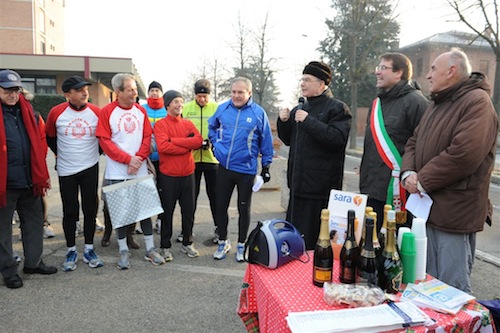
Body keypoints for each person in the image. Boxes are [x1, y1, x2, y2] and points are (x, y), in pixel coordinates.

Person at [401, 48, 498, 293]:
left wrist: (421, 180)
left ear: (451, 71)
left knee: (450, 291)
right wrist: (408, 174)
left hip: (454, 216)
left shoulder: (476, 102)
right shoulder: (438, 104)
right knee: (425, 283)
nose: (429, 75)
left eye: (433, 68)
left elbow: (464, 154)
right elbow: (414, 141)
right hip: (428, 211)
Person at [277, 61, 352, 251]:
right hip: (297, 186)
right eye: (302, 79)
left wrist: (309, 121)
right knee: (294, 241)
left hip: (319, 189)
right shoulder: (299, 109)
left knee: (313, 243)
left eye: (307, 80)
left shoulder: (337, 108)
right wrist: (283, 121)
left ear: (322, 84)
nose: (302, 83)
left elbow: (337, 138)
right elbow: (288, 140)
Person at [96, 73, 165, 270]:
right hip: (117, 172)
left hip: (140, 170)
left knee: (146, 211)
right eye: (131, 89)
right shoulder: (107, 112)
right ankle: (123, 250)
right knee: (120, 213)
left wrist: (138, 160)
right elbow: (105, 142)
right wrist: (128, 159)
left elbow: (147, 137)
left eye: (135, 89)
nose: (135, 92)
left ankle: (150, 249)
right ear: (118, 92)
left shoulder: (140, 111)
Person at [0, 69, 57, 289]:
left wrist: (39, 168)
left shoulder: (29, 112)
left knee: (33, 224)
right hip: (5, 184)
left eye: (15, 90)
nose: (12, 94)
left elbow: (41, 139)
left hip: (30, 180)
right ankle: (8, 270)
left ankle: (33, 263)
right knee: (3, 230)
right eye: (7, 90)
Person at [359, 53, 429, 230]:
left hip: (399, 193)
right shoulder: (377, 103)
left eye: (383, 68)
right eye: (378, 67)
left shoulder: (416, 102)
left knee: (396, 246)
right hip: (372, 189)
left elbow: (423, 145)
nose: (377, 72)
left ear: (399, 73)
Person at [208, 77, 274, 262]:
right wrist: (215, 145)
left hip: (246, 169)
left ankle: (241, 244)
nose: (236, 96)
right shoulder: (222, 109)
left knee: (243, 208)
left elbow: (266, 141)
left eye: (240, 92)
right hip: (225, 167)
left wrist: (266, 166)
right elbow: (211, 127)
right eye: (233, 92)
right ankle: (223, 241)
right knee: (220, 206)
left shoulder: (258, 113)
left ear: (249, 93)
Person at [45, 75, 103, 271]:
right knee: (70, 210)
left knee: (90, 208)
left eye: (85, 88)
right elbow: (50, 138)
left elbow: (103, 138)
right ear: (67, 94)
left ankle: (88, 248)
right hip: (66, 169)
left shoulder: (96, 112)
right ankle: (71, 249)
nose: (84, 92)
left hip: (90, 167)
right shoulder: (56, 113)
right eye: (79, 90)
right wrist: (62, 156)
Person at [154, 90, 203, 261]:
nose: (180, 105)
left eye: (181, 101)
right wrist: (186, 145)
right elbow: (163, 147)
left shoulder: (188, 123)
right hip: (168, 175)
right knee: (167, 212)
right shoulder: (161, 125)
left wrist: (174, 141)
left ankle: (187, 242)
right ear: (167, 105)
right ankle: (165, 246)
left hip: (188, 174)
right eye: (176, 101)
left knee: (188, 210)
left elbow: (198, 141)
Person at [182, 79, 219, 244]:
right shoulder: (186, 108)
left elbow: (223, 130)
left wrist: (213, 141)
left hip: (213, 160)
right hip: (192, 159)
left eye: (205, 96)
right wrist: (190, 140)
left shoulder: (217, 108)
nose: (202, 99)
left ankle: (220, 229)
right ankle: (186, 231)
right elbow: (180, 129)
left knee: (216, 197)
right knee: (190, 197)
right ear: (194, 94)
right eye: (199, 95)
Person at [141, 80, 167, 235]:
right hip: (146, 158)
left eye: (157, 90)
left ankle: (160, 220)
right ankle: (144, 223)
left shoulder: (167, 109)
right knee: (145, 191)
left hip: (164, 159)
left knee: (162, 191)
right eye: (152, 90)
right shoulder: (142, 109)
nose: (155, 93)